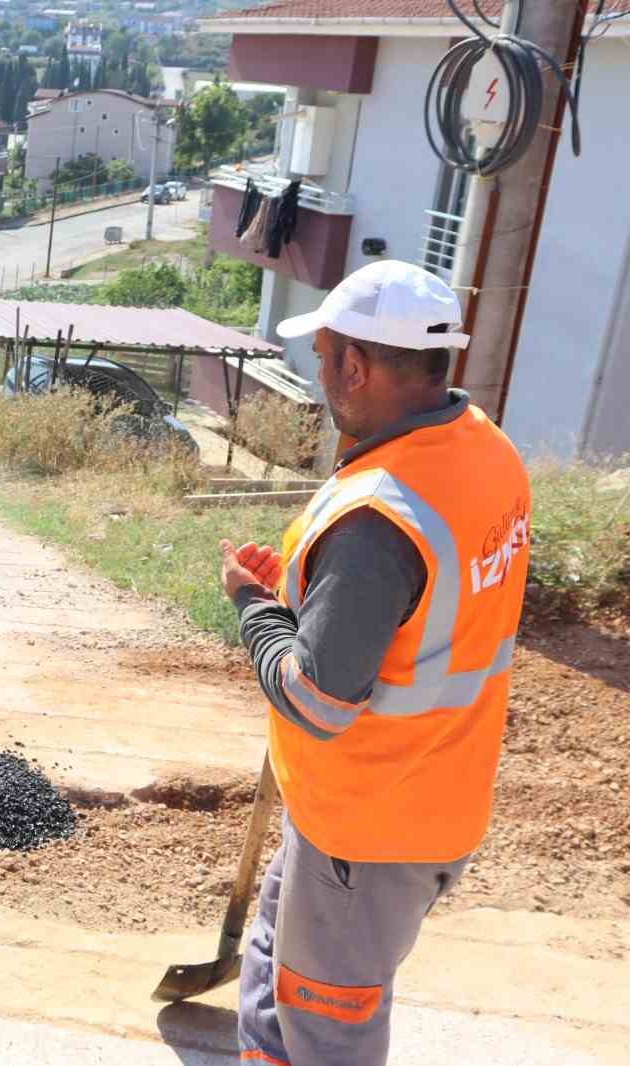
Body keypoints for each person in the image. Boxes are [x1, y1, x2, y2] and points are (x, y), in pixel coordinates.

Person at [219, 260, 531, 1066]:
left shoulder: (379, 519)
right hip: (417, 796)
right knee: (273, 986)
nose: (321, 375)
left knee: (328, 1034)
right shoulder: (484, 451)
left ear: (353, 365)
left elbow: (320, 701)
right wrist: (308, 606)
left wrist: (257, 611)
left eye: (323, 357)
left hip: (370, 827)